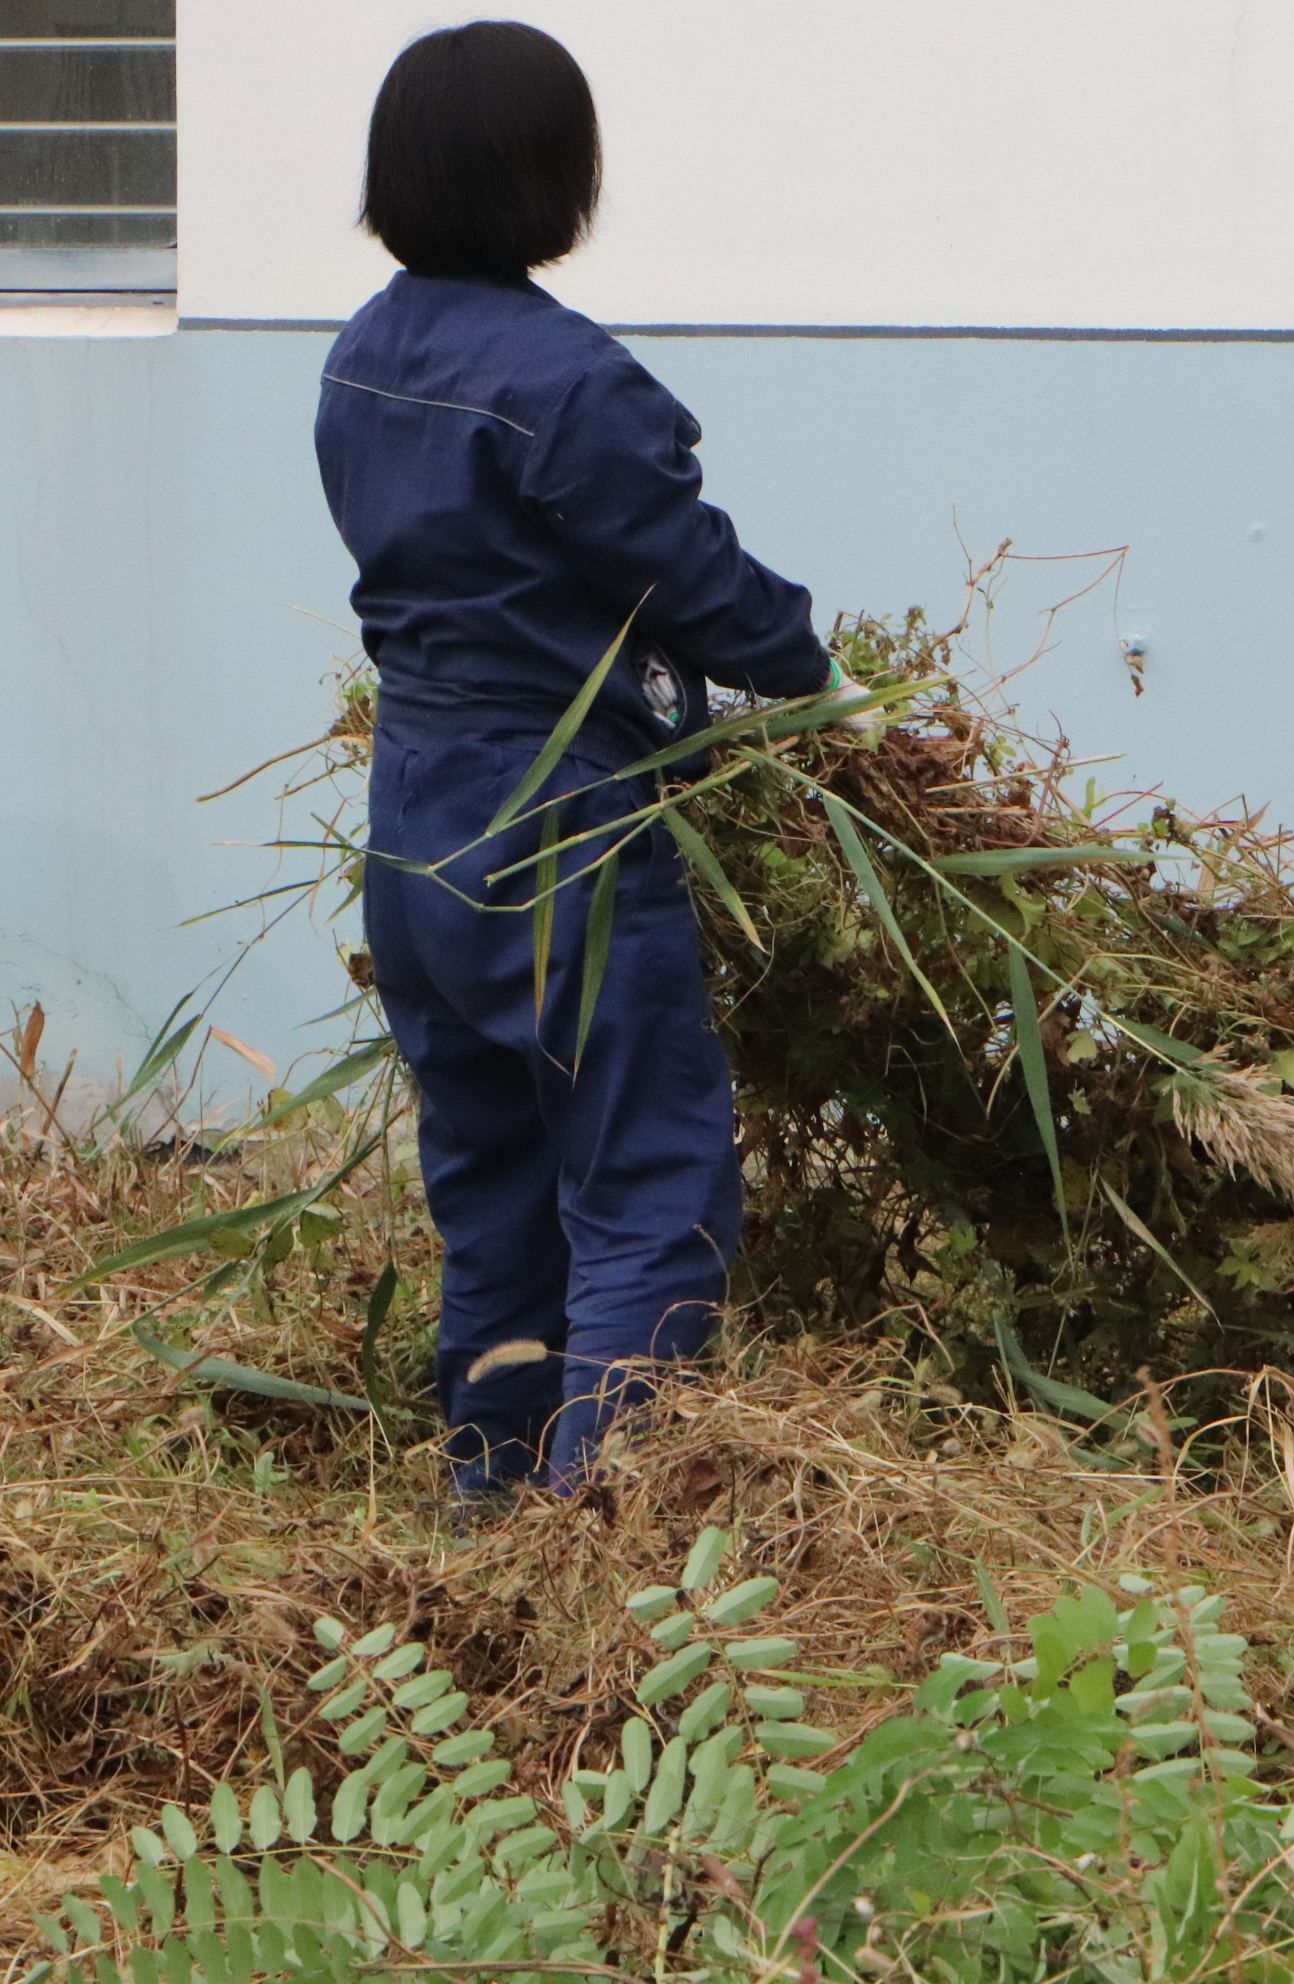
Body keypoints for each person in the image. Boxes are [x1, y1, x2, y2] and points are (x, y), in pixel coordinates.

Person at [314, 22, 854, 1506]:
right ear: (556, 177)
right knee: (645, 1172)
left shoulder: (362, 356)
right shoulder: (568, 379)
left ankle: (490, 1486)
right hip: (555, 823)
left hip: (412, 822)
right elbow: (682, 570)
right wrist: (814, 675)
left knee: (492, 1173)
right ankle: (601, 1521)